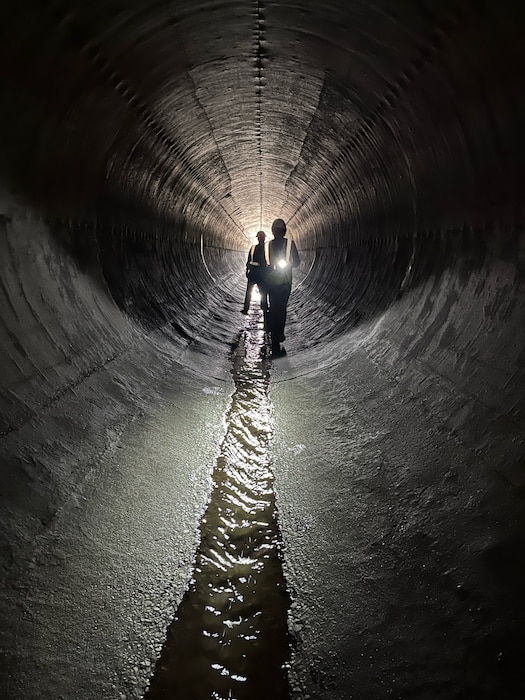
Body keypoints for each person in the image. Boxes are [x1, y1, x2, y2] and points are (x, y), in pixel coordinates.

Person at [266, 218, 300, 354]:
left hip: (275, 282)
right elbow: (296, 262)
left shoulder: (283, 244)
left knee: (277, 307)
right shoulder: (287, 244)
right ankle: (277, 332)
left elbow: (297, 262)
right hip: (283, 282)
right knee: (279, 308)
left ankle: (277, 332)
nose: (278, 232)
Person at [242, 230, 270, 314]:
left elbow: (248, 261)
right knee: (263, 291)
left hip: (253, 273)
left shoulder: (254, 248)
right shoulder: (267, 249)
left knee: (250, 292)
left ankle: (246, 309)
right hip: (261, 274)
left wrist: (247, 271)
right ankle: (264, 308)